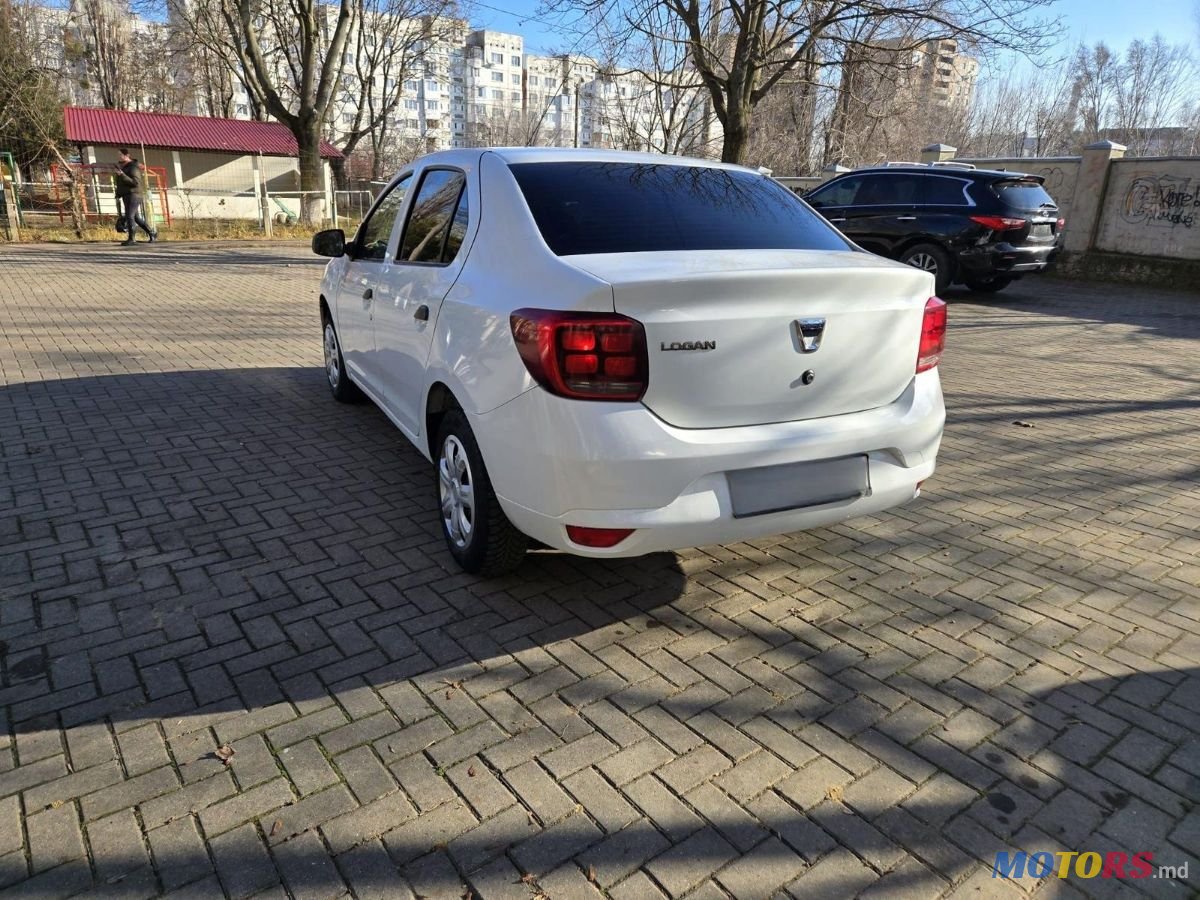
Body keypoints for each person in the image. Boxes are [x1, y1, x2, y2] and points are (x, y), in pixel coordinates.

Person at [114, 149, 156, 245]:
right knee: (135, 217)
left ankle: (131, 239)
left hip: (134, 194)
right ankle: (152, 233)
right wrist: (118, 193)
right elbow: (122, 184)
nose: (119, 157)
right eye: (118, 155)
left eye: (120, 155)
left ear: (127, 155)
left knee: (130, 216)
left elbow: (135, 182)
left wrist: (122, 175)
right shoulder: (125, 167)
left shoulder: (133, 167)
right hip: (127, 194)